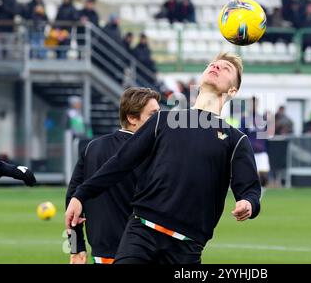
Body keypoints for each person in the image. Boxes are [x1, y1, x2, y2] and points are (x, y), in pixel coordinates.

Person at [66, 52, 261, 264]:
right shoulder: (163, 120)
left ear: (233, 90)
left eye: (226, 68)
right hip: (141, 232)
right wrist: (80, 195)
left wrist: (248, 204)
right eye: (213, 64)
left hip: (187, 246)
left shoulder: (236, 140)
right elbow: (121, 162)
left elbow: (249, 189)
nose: (216, 67)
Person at [66, 87, 160, 264]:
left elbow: (71, 202)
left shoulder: (91, 148)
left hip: (102, 254)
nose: (159, 121)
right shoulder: (152, 152)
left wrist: (75, 247)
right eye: (153, 115)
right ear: (132, 118)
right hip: (141, 253)